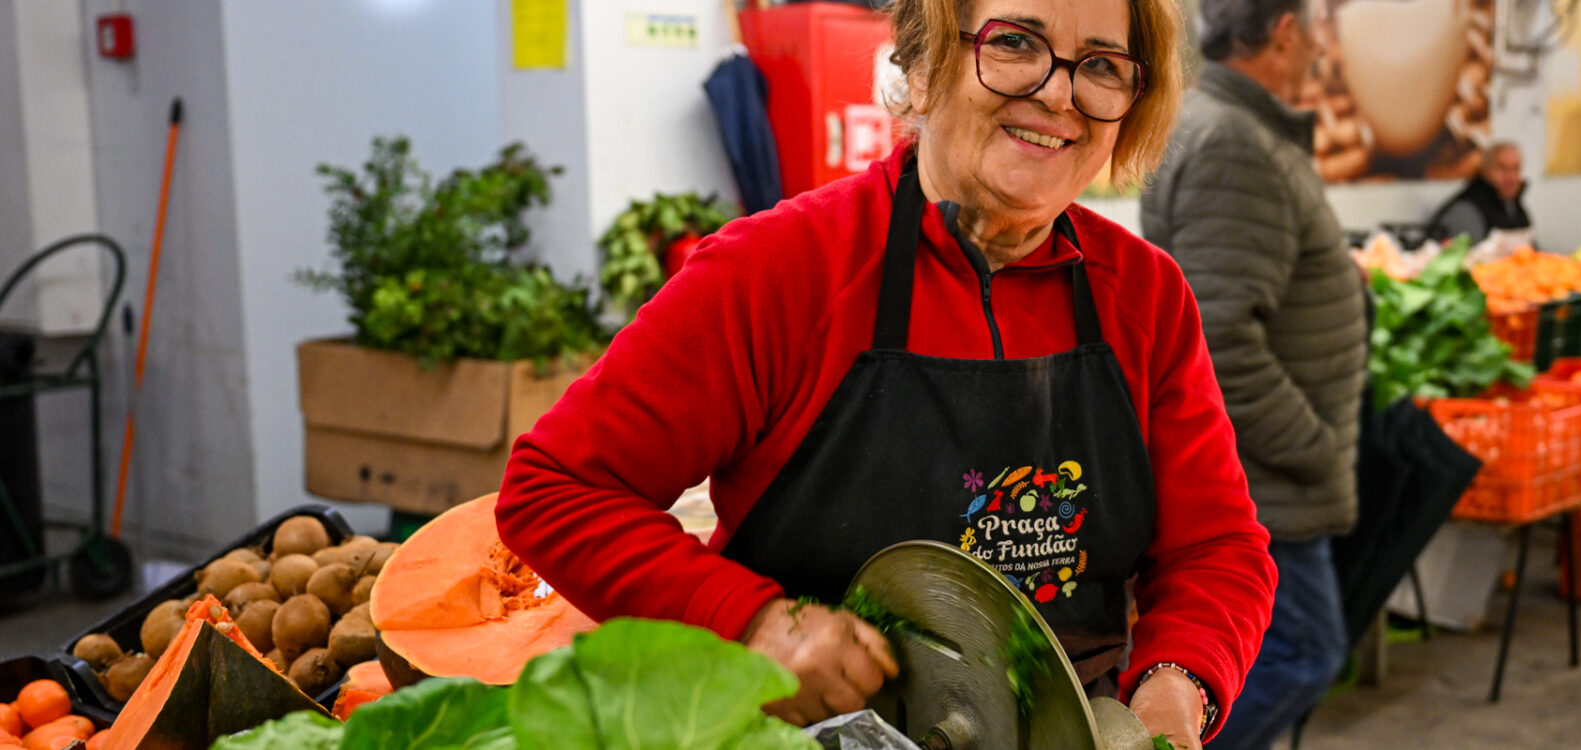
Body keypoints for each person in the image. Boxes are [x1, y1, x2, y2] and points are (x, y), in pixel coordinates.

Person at [493, 0, 1279, 746]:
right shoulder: (780, 272)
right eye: (1014, 43)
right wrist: (753, 624)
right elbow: (556, 487)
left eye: (1102, 66)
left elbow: (1216, 548)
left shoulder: (1144, 297)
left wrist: (1178, 684)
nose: (1058, 94)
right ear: (925, 65)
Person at [1138, 0, 1367, 748]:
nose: (1320, 50)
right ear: (1285, 32)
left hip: (1272, 474)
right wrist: (1313, 447)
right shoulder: (1233, 143)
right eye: (1315, 32)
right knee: (1301, 654)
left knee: (1277, 657)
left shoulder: (1233, 129)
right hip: (1268, 480)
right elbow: (1224, 339)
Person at [1426, 141, 1532, 245]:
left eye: (1515, 169)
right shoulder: (1466, 211)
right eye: (1502, 168)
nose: (1511, 177)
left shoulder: (1514, 208)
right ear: (1486, 170)